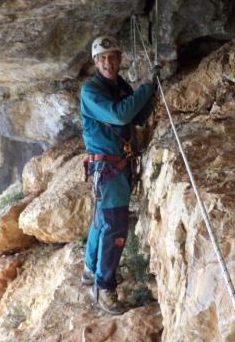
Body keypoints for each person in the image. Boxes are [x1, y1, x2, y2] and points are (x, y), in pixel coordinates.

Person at [80, 35, 157, 315]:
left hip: (116, 165)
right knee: (114, 227)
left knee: (103, 220)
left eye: (112, 57)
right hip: (108, 167)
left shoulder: (120, 85)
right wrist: (146, 87)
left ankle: (90, 269)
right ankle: (104, 287)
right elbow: (120, 115)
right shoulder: (91, 91)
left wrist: (151, 93)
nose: (108, 62)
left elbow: (136, 116)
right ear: (95, 62)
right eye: (102, 58)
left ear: (119, 59)